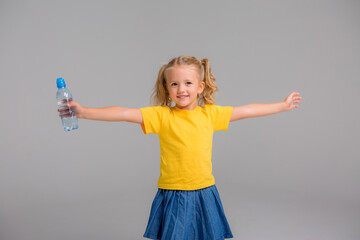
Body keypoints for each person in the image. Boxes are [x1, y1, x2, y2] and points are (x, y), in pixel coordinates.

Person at [62, 55, 302, 240]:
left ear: (200, 86)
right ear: (167, 88)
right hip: (175, 192)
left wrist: (281, 106)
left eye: (188, 83)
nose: (181, 89)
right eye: (174, 84)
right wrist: (84, 112)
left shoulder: (210, 115)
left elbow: (246, 110)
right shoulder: (162, 116)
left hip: (205, 191)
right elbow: (124, 113)